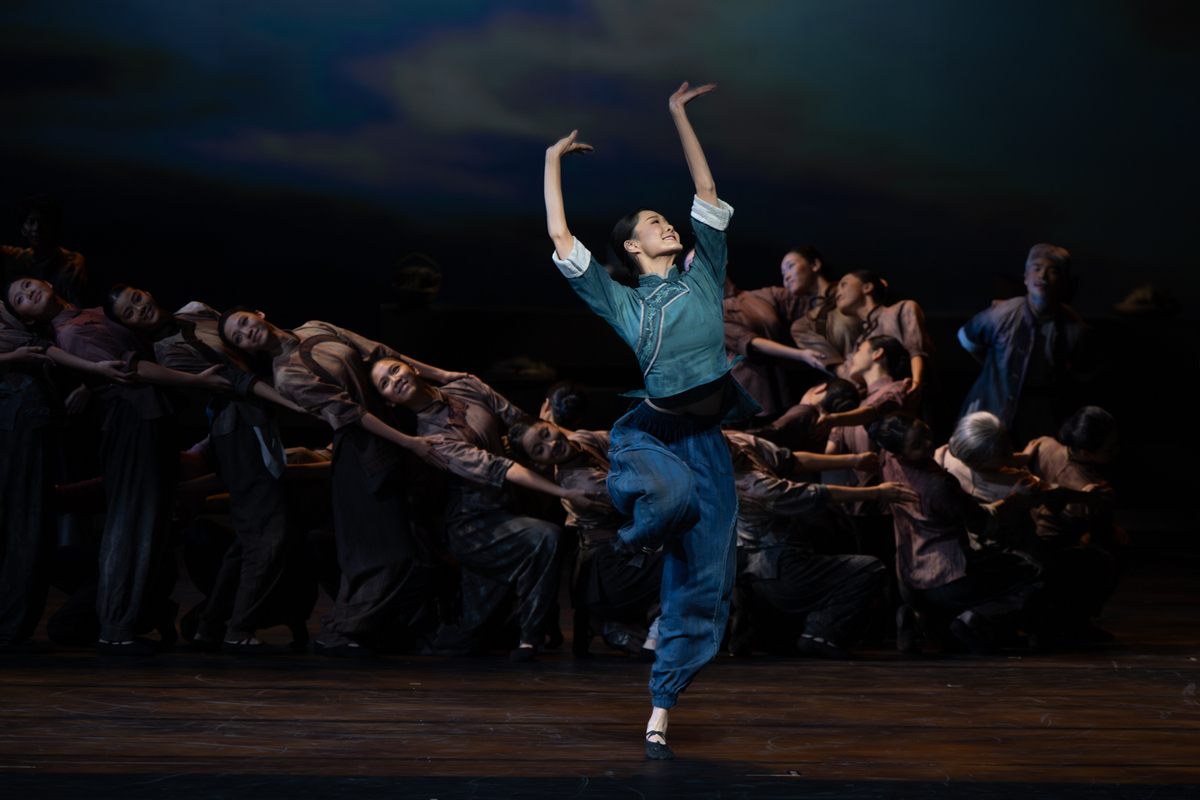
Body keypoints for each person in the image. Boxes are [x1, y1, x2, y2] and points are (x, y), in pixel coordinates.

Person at [544, 81, 761, 759]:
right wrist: (551, 160)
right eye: (653, 223)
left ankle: (660, 709)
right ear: (633, 247)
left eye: (669, 220)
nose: (668, 225)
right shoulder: (621, 300)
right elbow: (560, 235)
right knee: (668, 498)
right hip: (650, 436)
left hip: (706, 443)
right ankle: (631, 539)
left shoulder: (704, 273)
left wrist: (677, 114)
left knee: (708, 581)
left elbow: (706, 189)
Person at [5, 276, 232, 656]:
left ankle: (132, 617)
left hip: (151, 419)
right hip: (133, 423)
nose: (28, 292)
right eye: (20, 299)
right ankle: (115, 629)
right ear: (27, 319)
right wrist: (197, 380)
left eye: (28, 285)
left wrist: (87, 384)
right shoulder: (72, 332)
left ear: (44, 281)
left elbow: (127, 351)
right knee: (131, 528)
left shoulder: (92, 314)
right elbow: (131, 370)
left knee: (150, 526)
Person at [219, 307, 456, 657]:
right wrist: (408, 442)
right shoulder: (286, 376)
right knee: (390, 552)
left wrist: (442, 375)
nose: (246, 332)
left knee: (418, 542)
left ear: (258, 314)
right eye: (238, 338)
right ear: (246, 350)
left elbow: (378, 352)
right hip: (362, 452)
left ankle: (391, 628)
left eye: (244, 322)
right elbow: (350, 414)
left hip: (393, 434)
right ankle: (341, 631)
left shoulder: (315, 326)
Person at [105, 284, 312, 654]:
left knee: (252, 537)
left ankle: (211, 626)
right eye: (129, 313)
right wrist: (295, 404)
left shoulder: (196, 310)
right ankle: (238, 630)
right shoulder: (168, 353)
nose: (140, 308)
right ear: (130, 325)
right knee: (267, 535)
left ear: (146, 292)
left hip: (254, 419)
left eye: (136, 298)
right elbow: (234, 382)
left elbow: (240, 340)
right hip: (237, 427)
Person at [368, 358, 603, 660]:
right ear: (389, 400)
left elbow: (520, 423)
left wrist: (584, 442)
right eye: (385, 383)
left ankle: (531, 626)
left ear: (412, 368)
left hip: (507, 507)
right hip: (474, 524)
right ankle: (529, 639)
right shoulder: (431, 437)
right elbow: (497, 467)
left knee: (477, 636)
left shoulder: (466, 386)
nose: (394, 379)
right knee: (545, 536)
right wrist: (564, 492)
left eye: (394, 369)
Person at [869, 411, 1069, 655]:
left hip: (908, 574)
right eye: (917, 445)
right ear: (899, 453)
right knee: (1038, 573)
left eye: (924, 432)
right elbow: (981, 522)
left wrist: (1020, 457)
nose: (928, 443)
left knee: (954, 634)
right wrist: (1015, 499)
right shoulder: (938, 485)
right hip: (946, 578)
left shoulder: (890, 459)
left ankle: (919, 616)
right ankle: (973, 617)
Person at [0, 305, 132, 653]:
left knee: (28, 524)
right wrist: (13, 355)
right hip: (17, 424)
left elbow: (44, 346)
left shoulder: (18, 320)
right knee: (22, 523)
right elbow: (32, 348)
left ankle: (11, 626)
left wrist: (91, 376)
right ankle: (10, 626)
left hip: (24, 423)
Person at [722, 429, 916, 659]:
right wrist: (876, 493)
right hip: (774, 571)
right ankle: (821, 632)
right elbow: (818, 495)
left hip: (749, 570)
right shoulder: (751, 487)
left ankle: (756, 628)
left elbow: (791, 460)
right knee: (870, 569)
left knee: (785, 642)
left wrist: (854, 460)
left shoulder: (738, 440)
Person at [507, 416, 665, 659]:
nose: (551, 444)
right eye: (539, 450)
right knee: (690, 556)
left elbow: (629, 440)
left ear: (552, 425)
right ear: (537, 463)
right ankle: (651, 626)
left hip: (631, 548)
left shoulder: (582, 439)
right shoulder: (578, 482)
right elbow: (648, 494)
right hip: (611, 567)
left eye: (546, 433)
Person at [958, 244, 1094, 447]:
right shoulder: (1002, 314)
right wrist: (995, 369)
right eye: (1036, 268)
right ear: (1026, 277)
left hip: (1041, 411)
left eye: (1052, 271)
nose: (1042, 276)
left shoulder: (1073, 327)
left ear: (1063, 281)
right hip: (994, 402)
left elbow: (1084, 372)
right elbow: (967, 338)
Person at [1022, 406, 1123, 641]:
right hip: (1048, 550)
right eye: (1109, 449)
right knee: (1116, 544)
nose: (1116, 450)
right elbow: (1101, 531)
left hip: (1028, 535)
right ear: (1086, 453)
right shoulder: (1094, 489)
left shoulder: (1044, 444)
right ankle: (1077, 621)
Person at [722, 269, 820, 419]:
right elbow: (752, 342)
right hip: (749, 390)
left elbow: (809, 300)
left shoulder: (763, 296)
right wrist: (801, 355)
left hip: (781, 381)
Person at [834, 270, 935, 406]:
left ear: (867, 287)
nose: (837, 293)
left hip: (914, 396)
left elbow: (915, 349)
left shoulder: (900, 310)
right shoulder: (860, 342)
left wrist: (917, 383)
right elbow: (850, 379)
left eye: (844, 284)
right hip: (881, 404)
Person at [781, 246, 861, 371]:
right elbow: (831, 363)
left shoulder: (851, 289)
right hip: (851, 374)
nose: (786, 277)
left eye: (791, 266)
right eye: (783, 273)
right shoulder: (803, 326)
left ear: (815, 265)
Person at [2, 195, 89, 307]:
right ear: (23, 229)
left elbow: (80, 311)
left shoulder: (68, 271)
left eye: (43, 222)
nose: (36, 228)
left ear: (55, 226)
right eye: (30, 222)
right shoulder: (23, 258)